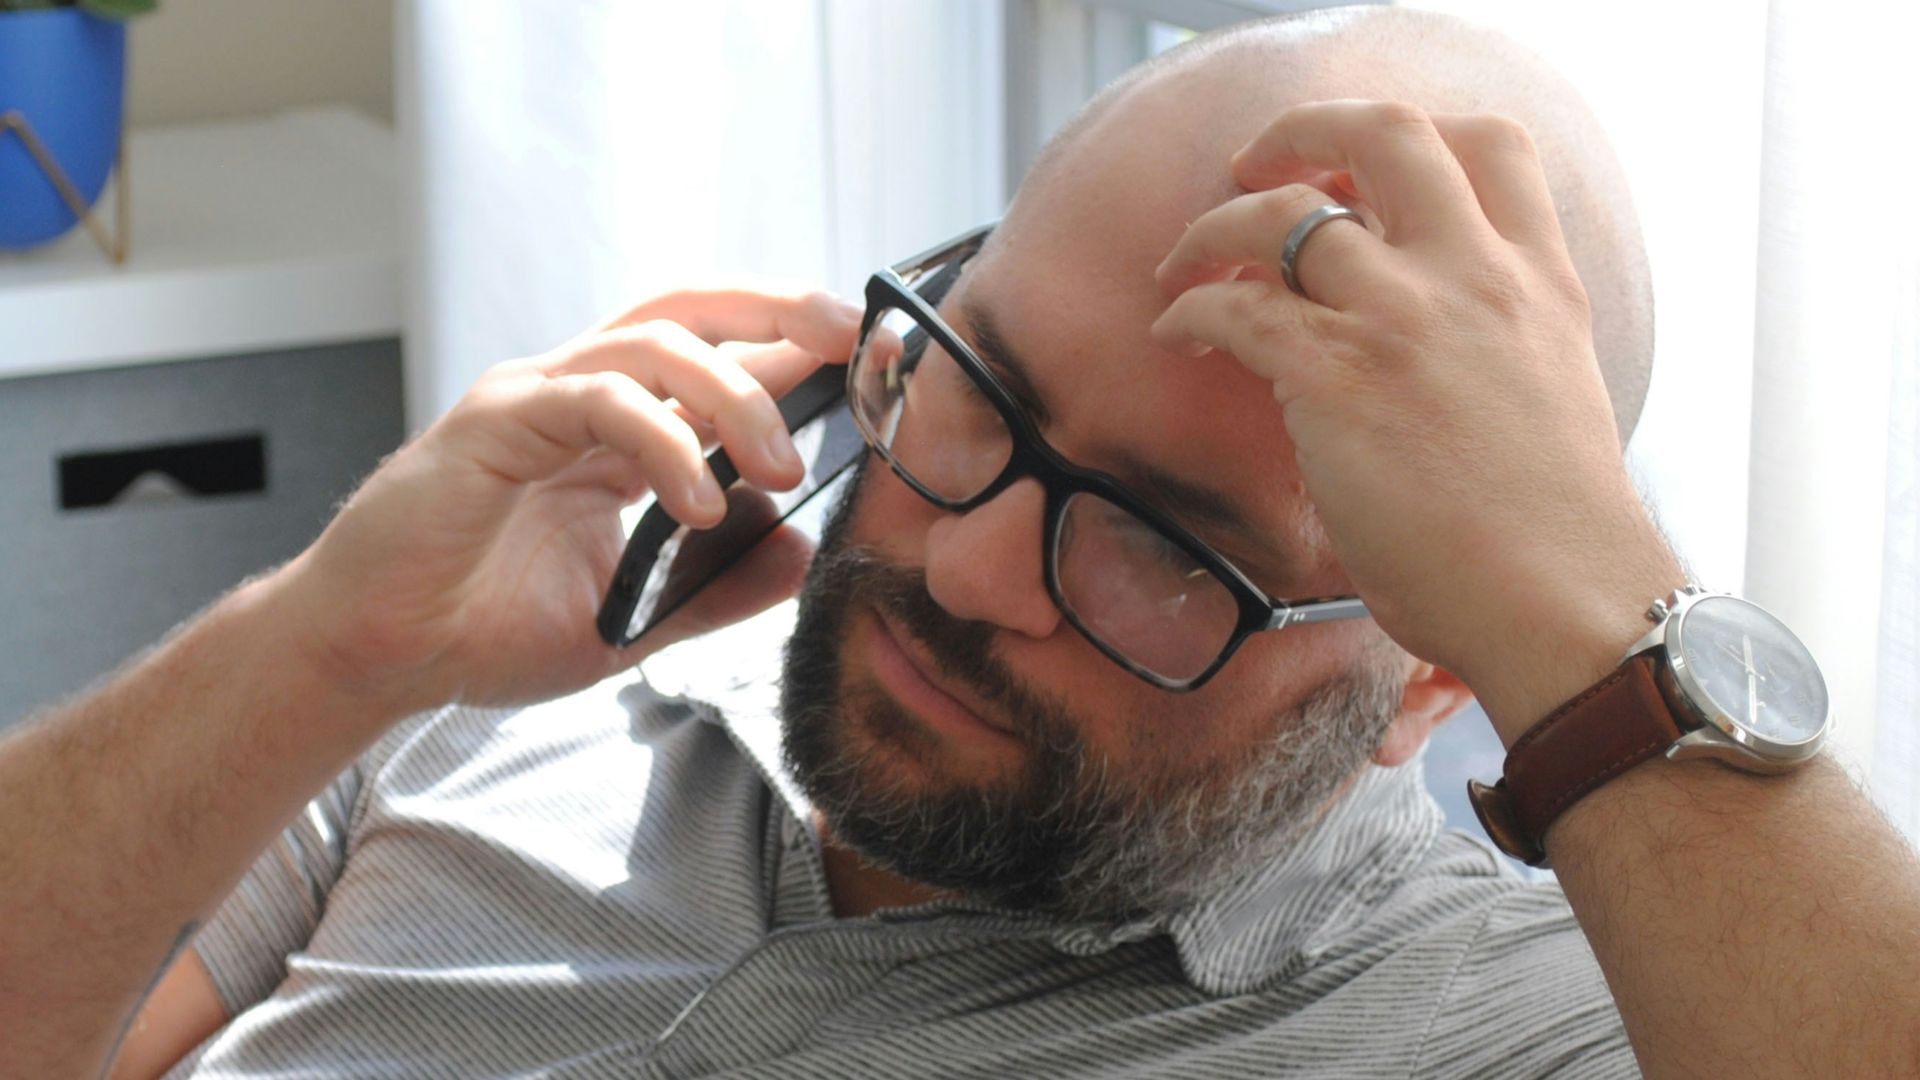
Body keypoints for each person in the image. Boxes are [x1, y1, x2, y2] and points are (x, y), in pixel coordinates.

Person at [5, 7, 1916, 1078]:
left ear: (1435, 662)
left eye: (1168, 546)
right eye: (980, 390)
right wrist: (323, 645)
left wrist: (1599, 623)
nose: (974, 569)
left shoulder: (1505, 1028)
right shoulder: (546, 679)